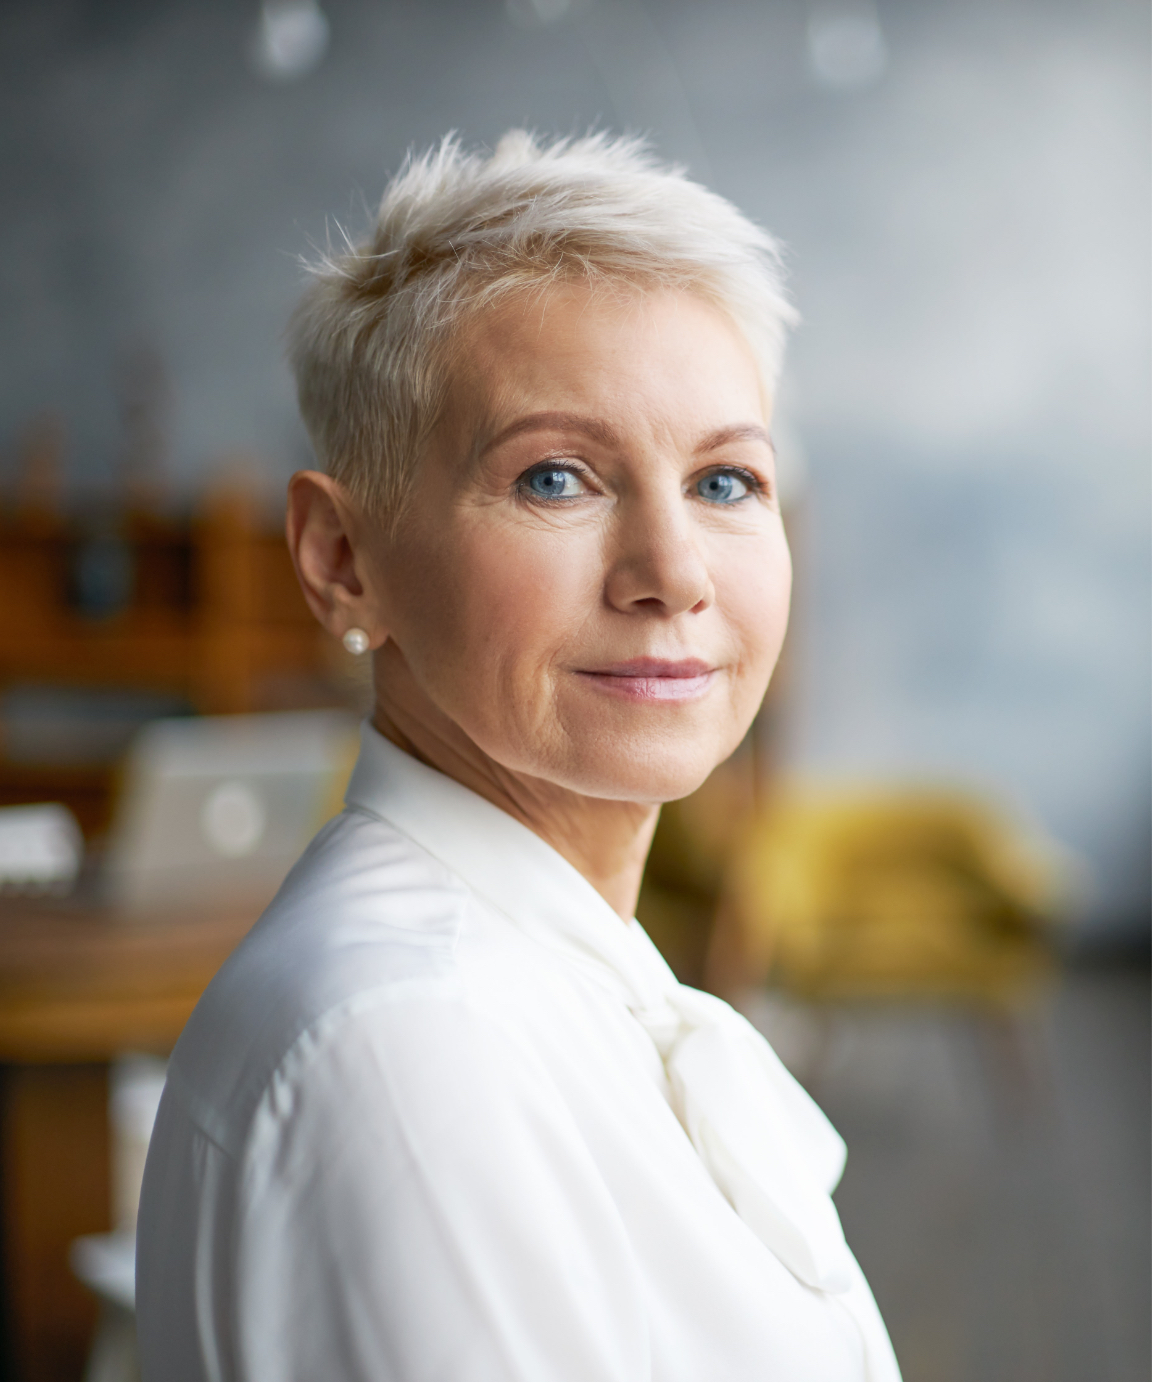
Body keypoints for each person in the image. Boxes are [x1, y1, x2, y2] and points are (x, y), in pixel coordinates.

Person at [136, 131, 900, 1382]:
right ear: (342, 560)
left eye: (725, 480)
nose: (674, 575)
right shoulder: (414, 1047)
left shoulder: (530, 979)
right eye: (555, 477)